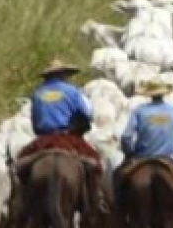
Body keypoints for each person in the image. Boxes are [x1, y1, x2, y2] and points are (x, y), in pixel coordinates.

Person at [17, 58, 108, 213]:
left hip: (43, 140)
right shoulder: (71, 91)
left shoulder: (37, 93)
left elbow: (34, 121)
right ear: (63, 75)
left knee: (20, 164)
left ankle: (22, 202)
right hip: (67, 137)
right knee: (95, 163)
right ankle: (96, 199)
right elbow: (86, 115)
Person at [117, 80, 173, 201]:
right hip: (168, 157)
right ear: (164, 94)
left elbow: (126, 137)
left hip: (141, 157)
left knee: (117, 177)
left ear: (149, 94)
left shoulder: (139, 111)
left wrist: (129, 152)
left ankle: (117, 210)